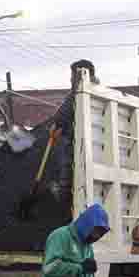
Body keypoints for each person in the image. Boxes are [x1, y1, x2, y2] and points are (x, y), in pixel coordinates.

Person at [49, 60, 99, 201]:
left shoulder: (79, 91)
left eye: (72, 75)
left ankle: (63, 193)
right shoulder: (99, 92)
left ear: (79, 74)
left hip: (77, 141)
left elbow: (64, 114)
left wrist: (57, 125)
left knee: (66, 155)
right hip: (96, 145)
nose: (70, 79)